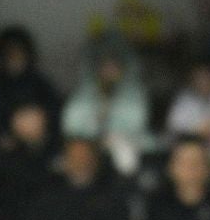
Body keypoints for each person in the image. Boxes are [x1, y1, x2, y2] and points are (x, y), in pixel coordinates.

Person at [63, 39, 153, 173]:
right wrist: (96, 126)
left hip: (125, 146)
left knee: (127, 156)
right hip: (89, 148)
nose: (109, 71)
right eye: (105, 65)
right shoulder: (84, 93)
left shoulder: (134, 93)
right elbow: (71, 126)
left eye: (114, 66)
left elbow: (138, 124)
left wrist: (115, 136)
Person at [0, 101, 59, 220]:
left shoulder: (59, 151)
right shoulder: (5, 158)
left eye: (33, 115)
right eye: (22, 116)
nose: (28, 122)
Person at [0, 26, 62, 134]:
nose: (15, 58)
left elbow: (55, 113)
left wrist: (38, 118)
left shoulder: (39, 83)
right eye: (10, 54)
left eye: (19, 53)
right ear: (1, 57)